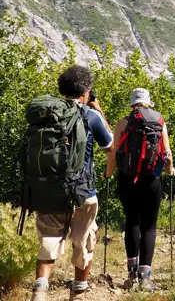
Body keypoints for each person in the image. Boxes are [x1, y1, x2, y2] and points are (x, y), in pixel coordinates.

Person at [30, 66, 113, 301]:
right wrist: (99, 111)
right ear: (86, 90)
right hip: (82, 192)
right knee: (85, 241)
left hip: (48, 190)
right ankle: (78, 291)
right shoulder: (91, 115)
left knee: (48, 240)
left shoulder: (47, 113)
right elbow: (111, 147)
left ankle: (40, 291)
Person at [106, 88, 174, 292]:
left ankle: (131, 272)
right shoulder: (159, 121)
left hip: (128, 179)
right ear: (148, 103)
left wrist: (108, 174)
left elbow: (114, 154)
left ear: (133, 104)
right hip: (152, 179)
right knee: (150, 226)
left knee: (132, 222)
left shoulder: (122, 123)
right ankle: (145, 277)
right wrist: (170, 170)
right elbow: (168, 153)